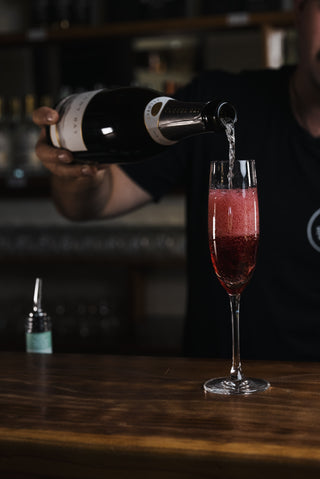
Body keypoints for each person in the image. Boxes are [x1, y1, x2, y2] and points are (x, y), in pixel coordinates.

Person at [33, 0, 320, 361]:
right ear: (300, 11)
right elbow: (88, 204)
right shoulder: (208, 108)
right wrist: (79, 170)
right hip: (208, 401)